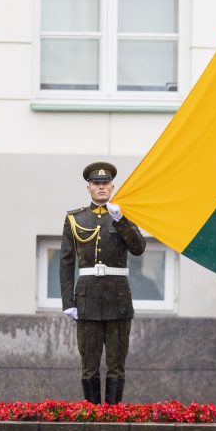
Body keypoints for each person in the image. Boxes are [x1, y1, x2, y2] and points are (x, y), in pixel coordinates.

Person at [60, 161, 146, 405]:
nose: (101, 187)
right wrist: (68, 301)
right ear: (88, 187)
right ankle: (93, 414)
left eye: (105, 183)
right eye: (96, 183)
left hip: (118, 300)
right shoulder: (75, 219)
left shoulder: (123, 216)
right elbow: (66, 263)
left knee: (117, 363)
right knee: (89, 364)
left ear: (112, 186)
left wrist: (121, 221)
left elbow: (139, 248)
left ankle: (113, 414)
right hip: (87, 301)